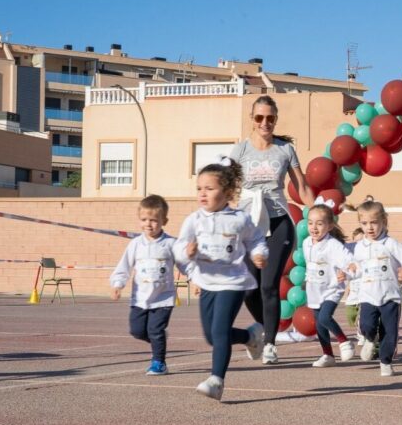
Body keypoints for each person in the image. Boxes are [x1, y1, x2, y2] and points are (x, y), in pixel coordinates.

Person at [229, 96, 313, 365]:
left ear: (276, 119)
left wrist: (321, 212)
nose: (265, 122)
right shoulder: (239, 151)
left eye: (270, 118)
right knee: (249, 290)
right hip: (249, 226)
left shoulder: (285, 149)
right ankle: (265, 328)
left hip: (278, 223)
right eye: (259, 118)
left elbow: (302, 187)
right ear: (252, 120)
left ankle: (269, 344)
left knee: (268, 285)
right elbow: (227, 188)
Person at [176, 158, 268, 401]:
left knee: (219, 331)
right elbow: (178, 247)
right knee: (212, 336)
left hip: (233, 282)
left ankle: (216, 381)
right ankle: (250, 336)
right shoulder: (194, 220)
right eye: (199, 188)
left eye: (209, 188)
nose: (202, 194)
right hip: (207, 282)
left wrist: (259, 253)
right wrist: (187, 253)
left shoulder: (239, 219)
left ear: (227, 192)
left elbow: (257, 239)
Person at [110, 195, 180, 376]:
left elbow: (186, 264)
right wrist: (118, 283)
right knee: (137, 331)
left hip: (163, 298)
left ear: (164, 221)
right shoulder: (135, 244)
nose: (148, 224)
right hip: (140, 298)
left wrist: (196, 279)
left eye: (154, 220)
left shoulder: (171, 243)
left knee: (155, 331)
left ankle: (159, 363)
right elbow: (124, 265)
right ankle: (159, 341)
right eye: (144, 220)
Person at [350, 199, 402, 376]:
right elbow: (356, 270)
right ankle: (370, 339)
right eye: (364, 223)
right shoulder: (359, 247)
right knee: (366, 325)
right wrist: (350, 272)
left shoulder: (390, 244)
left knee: (389, 331)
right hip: (368, 295)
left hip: (390, 296)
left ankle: (385, 362)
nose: (369, 227)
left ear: (384, 222)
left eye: (374, 222)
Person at [303, 199, 357, 367]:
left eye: (319, 224)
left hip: (332, 289)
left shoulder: (333, 245)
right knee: (319, 323)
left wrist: (345, 272)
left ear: (330, 226)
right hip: (315, 289)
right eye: (310, 223)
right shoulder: (306, 243)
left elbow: (349, 261)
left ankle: (344, 341)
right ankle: (328, 355)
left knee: (325, 317)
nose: (314, 227)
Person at [342, 227, 364, 347]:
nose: (358, 243)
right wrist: (349, 286)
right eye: (356, 241)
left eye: (362, 240)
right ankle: (359, 329)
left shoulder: (366, 253)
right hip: (354, 288)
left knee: (362, 313)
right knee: (351, 315)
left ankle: (361, 334)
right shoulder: (350, 252)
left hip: (365, 288)